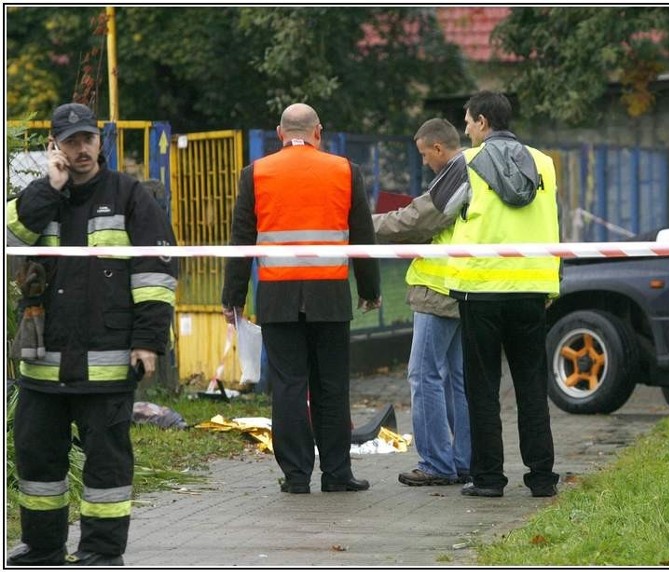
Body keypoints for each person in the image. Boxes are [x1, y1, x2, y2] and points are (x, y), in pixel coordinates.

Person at [6, 102, 178, 566]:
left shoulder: (130, 195)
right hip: (43, 361)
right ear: (54, 147)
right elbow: (11, 240)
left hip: (108, 358)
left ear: (100, 142)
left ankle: (101, 551)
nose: (81, 149)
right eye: (71, 141)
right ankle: (42, 547)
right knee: (37, 459)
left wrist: (148, 342)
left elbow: (155, 273)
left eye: (88, 139)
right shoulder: (39, 196)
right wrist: (50, 187)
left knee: (107, 461)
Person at [376, 92, 561, 498]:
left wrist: (364, 227)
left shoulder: (469, 164)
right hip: (532, 288)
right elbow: (553, 224)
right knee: (532, 387)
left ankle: (489, 479)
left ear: (481, 122)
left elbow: (428, 214)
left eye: (467, 122)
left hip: (481, 291)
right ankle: (542, 478)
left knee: (482, 389)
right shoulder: (544, 163)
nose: (465, 129)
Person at [221, 103, 381, 495]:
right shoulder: (345, 171)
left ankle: (296, 476)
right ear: (318, 131)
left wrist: (233, 299)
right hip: (329, 295)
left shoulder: (255, 174)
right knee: (332, 385)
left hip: (278, 296)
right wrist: (370, 290)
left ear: (279, 133)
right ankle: (337, 473)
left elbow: (241, 240)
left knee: (290, 385)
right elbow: (362, 235)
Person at [373, 118, 471, 486]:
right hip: (462, 287)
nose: (424, 162)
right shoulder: (472, 171)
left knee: (424, 376)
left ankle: (436, 463)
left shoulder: (455, 173)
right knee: (458, 380)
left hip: (437, 291)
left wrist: (365, 225)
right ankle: (463, 461)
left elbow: (416, 220)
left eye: (424, 155)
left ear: (438, 149)